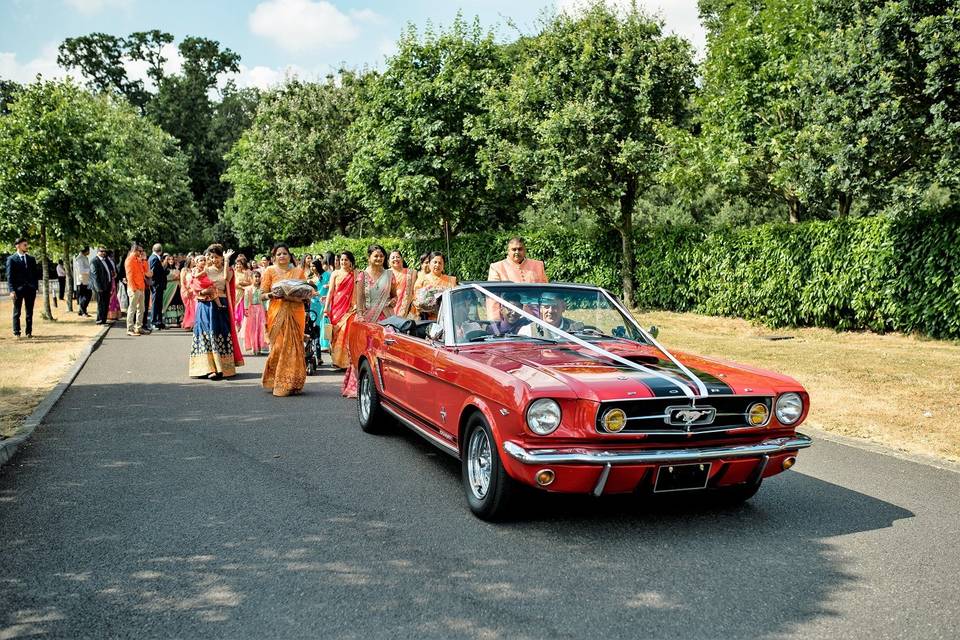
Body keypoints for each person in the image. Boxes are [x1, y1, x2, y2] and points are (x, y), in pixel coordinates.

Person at [341, 245, 398, 397]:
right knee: (363, 352)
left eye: (381, 256)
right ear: (369, 258)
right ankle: (358, 386)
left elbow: (394, 295)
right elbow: (359, 299)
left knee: (385, 351)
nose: (379, 259)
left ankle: (386, 387)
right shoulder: (362, 276)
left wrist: (393, 301)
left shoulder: (389, 274)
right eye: (376, 256)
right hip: (367, 318)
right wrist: (360, 316)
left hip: (385, 318)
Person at [189, 244, 244, 379]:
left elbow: (225, 278)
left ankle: (222, 368)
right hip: (206, 305)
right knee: (206, 333)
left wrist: (226, 260)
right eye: (212, 257)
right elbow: (195, 281)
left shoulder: (229, 270)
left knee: (220, 332)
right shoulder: (206, 269)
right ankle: (208, 368)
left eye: (217, 257)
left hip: (221, 305)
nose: (214, 260)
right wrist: (202, 291)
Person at [260, 243, 308, 396]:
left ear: (289, 256)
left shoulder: (298, 272)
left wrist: (301, 295)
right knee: (279, 346)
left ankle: (292, 382)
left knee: (295, 347)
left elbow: (306, 293)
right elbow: (261, 295)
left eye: (284, 253)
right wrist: (272, 295)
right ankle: (275, 380)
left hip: (296, 312)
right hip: (277, 312)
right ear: (274, 257)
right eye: (278, 254)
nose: (282, 256)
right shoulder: (269, 271)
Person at [327, 251, 357, 370]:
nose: (343, 262)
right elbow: (330, 291)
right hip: (336, 307)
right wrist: (326, 308)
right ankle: (336, 360)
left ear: (351, 262)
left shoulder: (355, 274)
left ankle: (346, 361)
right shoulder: (335, 273)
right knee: (335, 334)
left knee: (346, 332)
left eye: (346, 260)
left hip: (350, 308)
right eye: (342, 260)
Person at [6, 238, 39, 338]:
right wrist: (11, 290)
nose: (27, 246)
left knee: (29, 312)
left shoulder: (31, 259)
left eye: (26, 244)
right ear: (18, 246)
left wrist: (35, 287)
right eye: (25, 245)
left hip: (30, 289)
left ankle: (29, 332)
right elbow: (9, 276)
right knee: (17, 312)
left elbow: (35, 274)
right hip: (17, 290)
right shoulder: (11, 259)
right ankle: (17, 332)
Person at [412, 251, 457, 321]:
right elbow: (415, 298)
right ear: (429, 264)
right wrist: (422, 305)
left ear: (443, 265)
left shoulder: (451, 280)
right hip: (426, 319)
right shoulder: (422, 280)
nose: (437, 265)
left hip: (447, 318)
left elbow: (455, 299)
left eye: (440, 263)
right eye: (435, 262)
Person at [518, 292, 583, 337]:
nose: (550, 311)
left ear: (563, 307)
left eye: (555, 306)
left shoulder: (577, 329)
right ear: (540, 308)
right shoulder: (528, 331)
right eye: (546, 306)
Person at [124, 244, 148, 336]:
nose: (141, 253)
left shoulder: (138, 260)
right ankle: (130, 329)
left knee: (141, 309)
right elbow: (129, 276)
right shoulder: (129, 260)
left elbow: (146, 270)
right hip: (134, 288)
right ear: (135, 250)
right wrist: (133, 288)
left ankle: (138, 327)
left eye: (142, 251)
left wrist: (144, 260)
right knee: (132, 309)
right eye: (140, 251)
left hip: (141, 287)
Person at [243, 270, 268, 355]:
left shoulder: (262, 289)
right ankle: (254, 347)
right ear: (251, 278)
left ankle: (260, 347)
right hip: (251, 309)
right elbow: (246, 300)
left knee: (260, 328)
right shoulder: (248, 289)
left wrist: (266, 310)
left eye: (258, 277)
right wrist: (245, 309)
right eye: (255, 277)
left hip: (260, 309)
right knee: (252, 328)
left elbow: (265, 301)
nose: (257, 279)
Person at [388, 249, 415, 318]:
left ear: (402, 259)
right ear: (388, 262)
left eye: (398, 257)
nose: (395, 259)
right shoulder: (385, 274)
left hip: (407, 309)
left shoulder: (411, 273)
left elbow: (415, 290)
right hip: (389, 308)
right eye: (393, 258)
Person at [88, 246, 112, 325]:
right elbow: (95, 276)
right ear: (98, 252)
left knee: (106, 303)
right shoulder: (94, 261)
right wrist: (98, 288)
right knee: (101, 304)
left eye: (104, 251)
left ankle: (104, 320)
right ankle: (99, 320)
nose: (103, 253)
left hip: (107, 285)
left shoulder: (105, 260)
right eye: (101, 251)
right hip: (100, 287)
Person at [148, 243, 167, 330]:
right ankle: (153, 322)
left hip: (158, 284)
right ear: (161, 250)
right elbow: (153, 272)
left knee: (159, 304)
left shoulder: (154, 258)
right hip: (156, 284)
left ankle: (159, 322)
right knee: (155, 304)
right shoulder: (154, 259)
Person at [161, 254, 184, 327]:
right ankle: (170, 321)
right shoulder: (165, 269)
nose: (171, 261)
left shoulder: (177, 269)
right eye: (169, 259)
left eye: (172, 259)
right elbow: (163, 279)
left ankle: (179, 320)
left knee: (178, 302)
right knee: (170, 303)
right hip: (169, 289)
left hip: (177, 288)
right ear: (167, 261)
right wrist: (172, 279)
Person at [74, 247, 91, 317]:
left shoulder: (85, 257)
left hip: (87, 280)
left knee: (88, 295)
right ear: (86, 251)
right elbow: (81, 270)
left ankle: (82, 311)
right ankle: (83, 312)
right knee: (83, 297)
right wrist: (90, 270)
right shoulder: (79, 259)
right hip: (81, 280)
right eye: (88, 251)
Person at [106, 251, 121, 321]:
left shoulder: (111, 261)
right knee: (111, 297)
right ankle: (110, 314)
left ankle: (113, 313)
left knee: (113, 297)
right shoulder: (108, 261)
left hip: (113, 281)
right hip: (111, 281)